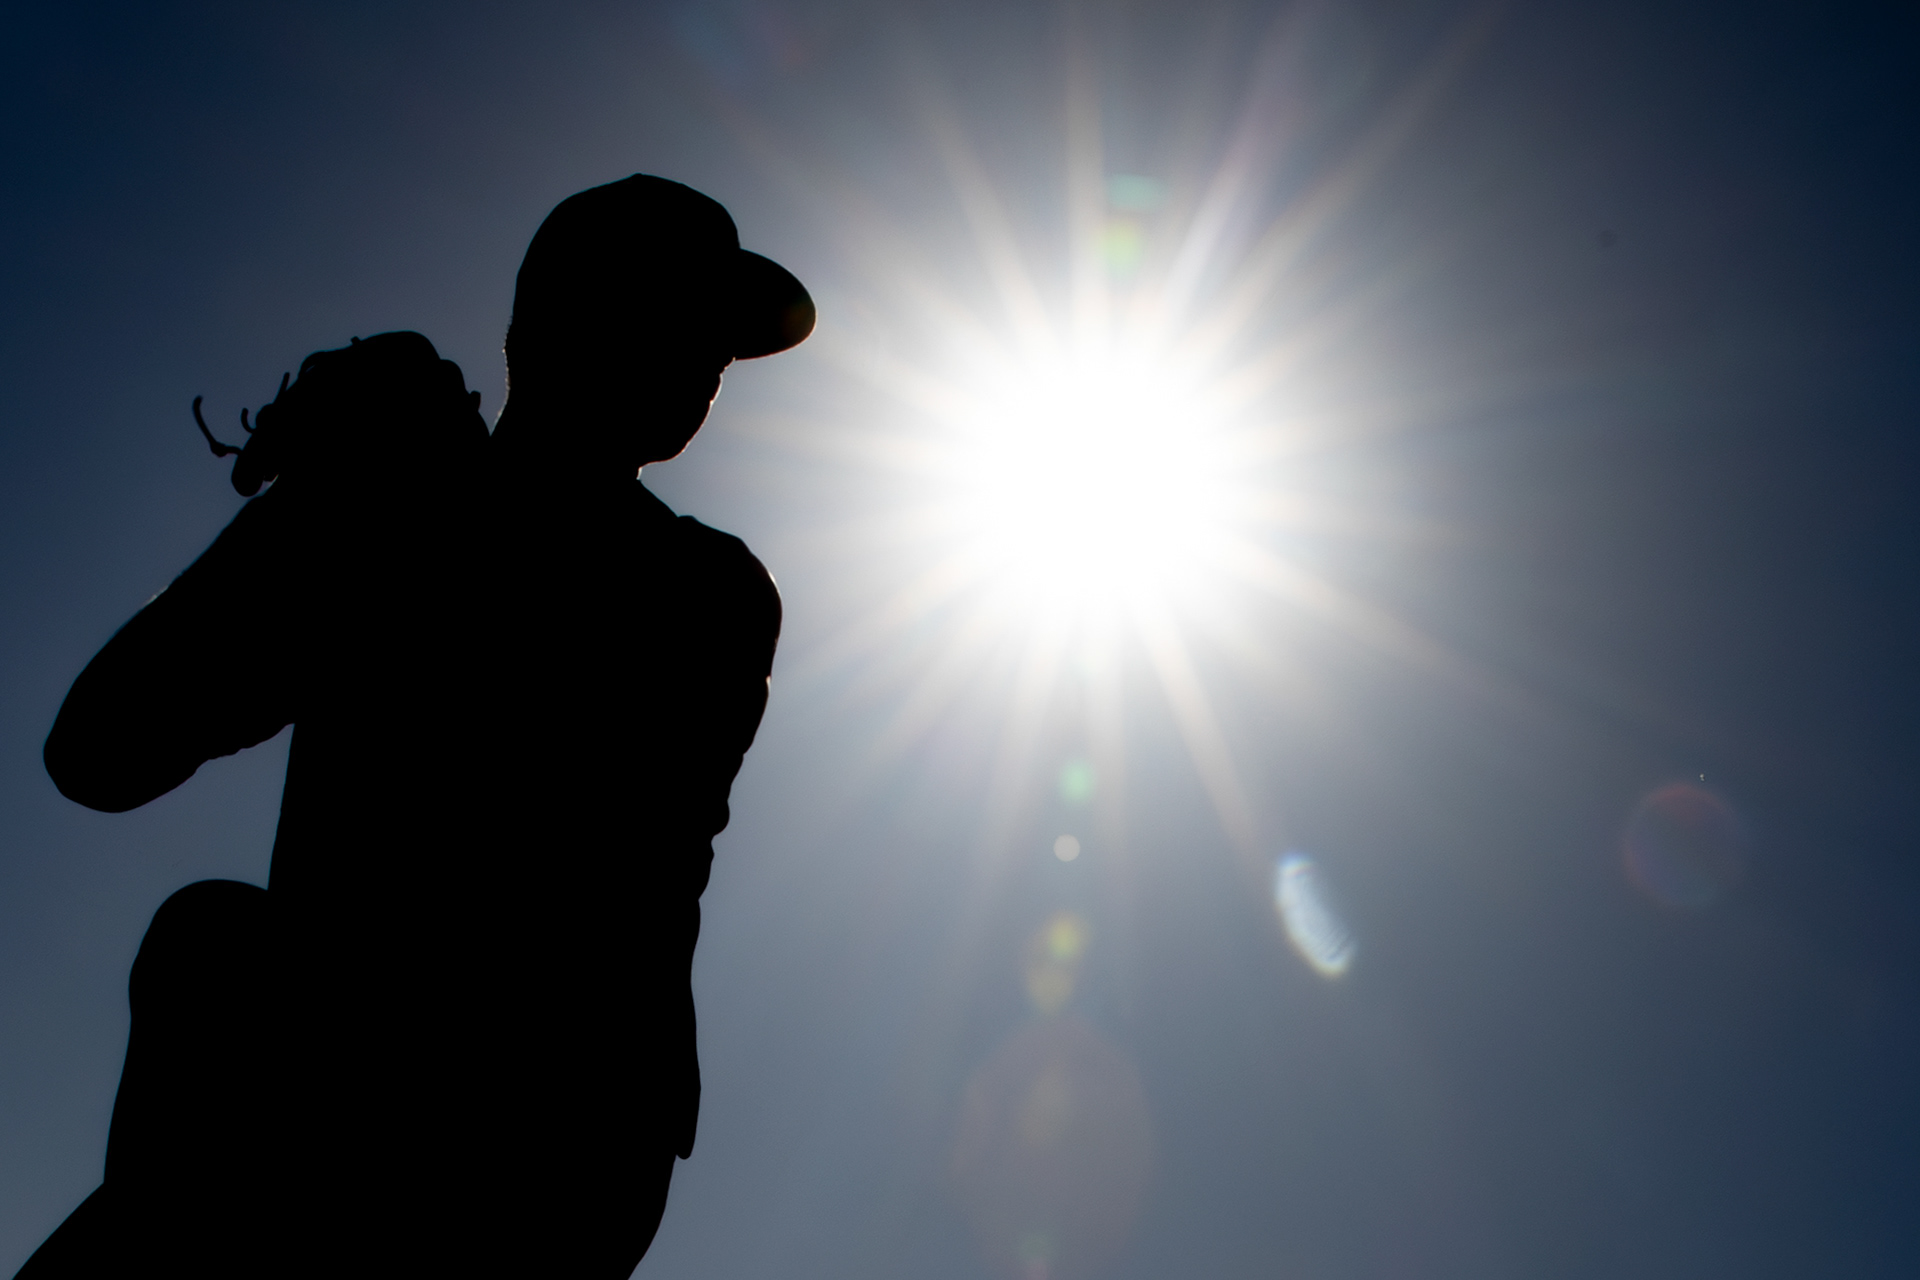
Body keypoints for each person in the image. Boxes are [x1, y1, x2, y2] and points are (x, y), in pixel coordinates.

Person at [18, 175, 813, 1278]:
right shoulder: (392, 504)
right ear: (557, 323)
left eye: (720, 341)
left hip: (546, 1147)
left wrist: (371, 490)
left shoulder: (709, 591)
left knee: (218, 959)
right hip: (320, 1111)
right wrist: (313, 504)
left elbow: (549, 811)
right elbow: (98, 750)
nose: (712, 362)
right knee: (213, 952)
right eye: (681, 318)